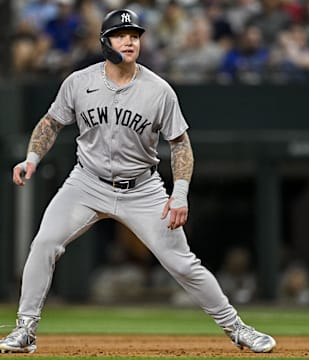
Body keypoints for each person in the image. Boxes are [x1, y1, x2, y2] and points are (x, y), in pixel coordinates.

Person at [0, 8, 276, 355]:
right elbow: (51, 122)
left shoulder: (158, 90)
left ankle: (238, 329)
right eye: (121, 35)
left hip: (142, 188)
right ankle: (26, 330)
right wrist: (31, 158)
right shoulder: (79, 82)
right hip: (86, 183)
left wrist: (180, 194)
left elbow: (181, 145)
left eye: (135, 36)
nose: (130, 41)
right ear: (105, 42)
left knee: (182, 263)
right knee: (44, 244)